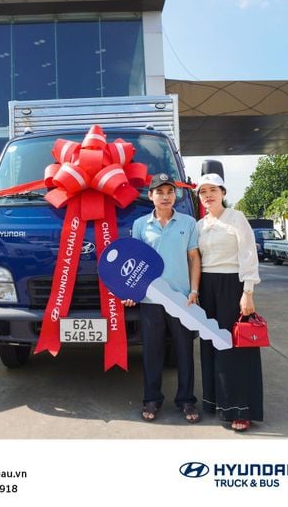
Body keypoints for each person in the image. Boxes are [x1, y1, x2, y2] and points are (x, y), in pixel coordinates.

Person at [123, 173, 201, 423]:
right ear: (151, 196)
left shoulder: (188, 223)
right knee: (152, 352)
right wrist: (133, 292)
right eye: (160, 192)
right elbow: (135, 261)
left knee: (184, 351)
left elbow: (194, 258)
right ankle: (152, 399)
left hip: (181, 299)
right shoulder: (140, 225)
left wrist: (194, 291)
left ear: (175, 196)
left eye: (170, 192)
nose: (165, 197)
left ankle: (186, 400)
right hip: (151, 299)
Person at [196, 173, 263, 432]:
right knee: (211, 345)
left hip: (231, 285)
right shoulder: (199, 225)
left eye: (213, 190)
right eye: (203, 192)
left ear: (223, 192)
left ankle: (241, 408)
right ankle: (217, 403)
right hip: (207, 287)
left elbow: (248, 254)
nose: (208, 195)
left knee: (235, 346)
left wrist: (248, 292)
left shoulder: (237, 218)